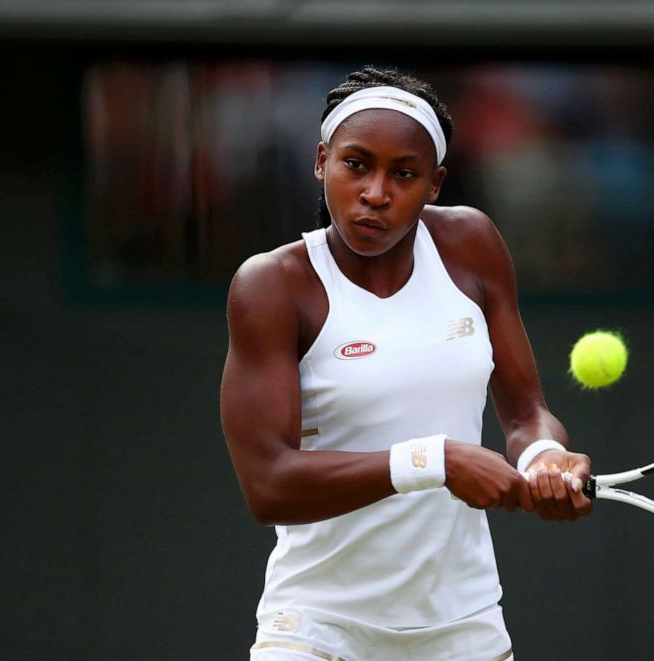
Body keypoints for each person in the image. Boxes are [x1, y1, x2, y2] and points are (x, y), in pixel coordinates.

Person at [220, 65, 592, 661]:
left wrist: (545, 456)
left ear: (436, 183)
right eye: (356, 164)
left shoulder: (473, 244)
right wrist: (434, 460)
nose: (375, 193)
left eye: (405, 174)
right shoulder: (273, 285)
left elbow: (525, 411)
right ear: (321, 161)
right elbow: (268, 487)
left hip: (462, 627)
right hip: (317, 628)